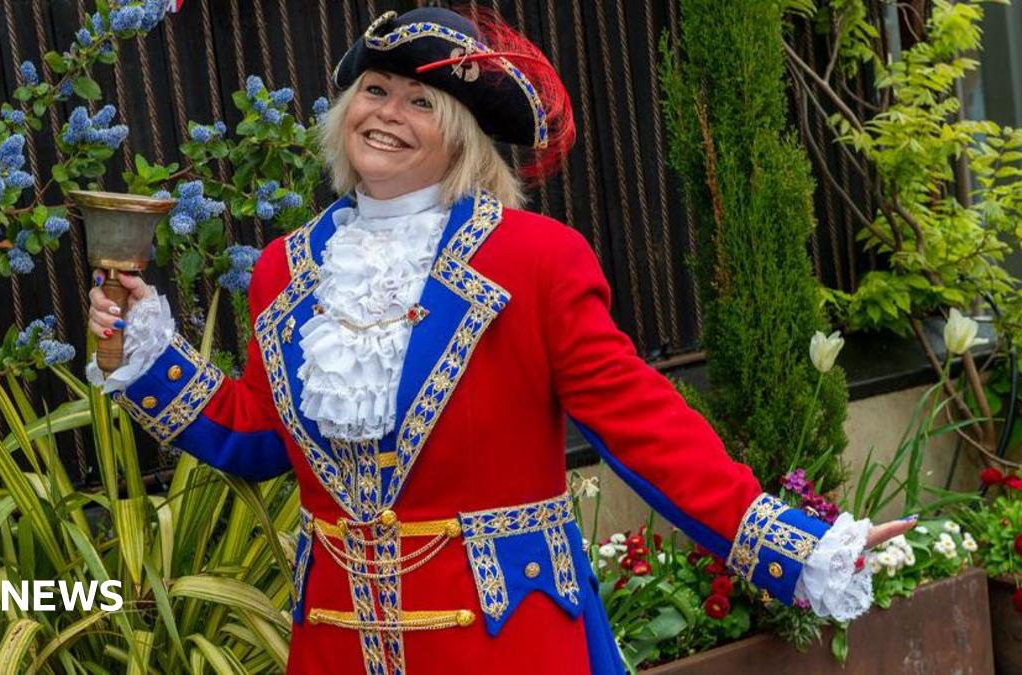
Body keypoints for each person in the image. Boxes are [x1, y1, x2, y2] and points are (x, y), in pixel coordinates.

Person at [86, 7, 913, 674]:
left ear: (464, 138)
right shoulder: (285, 269)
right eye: (375, 91)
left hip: (502, 643)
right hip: (334, 647)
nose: (388, 115)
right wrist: (145, 358)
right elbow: (262, 436)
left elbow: (643, 427)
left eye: (422, 103)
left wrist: (793, 544)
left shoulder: (534, 260)